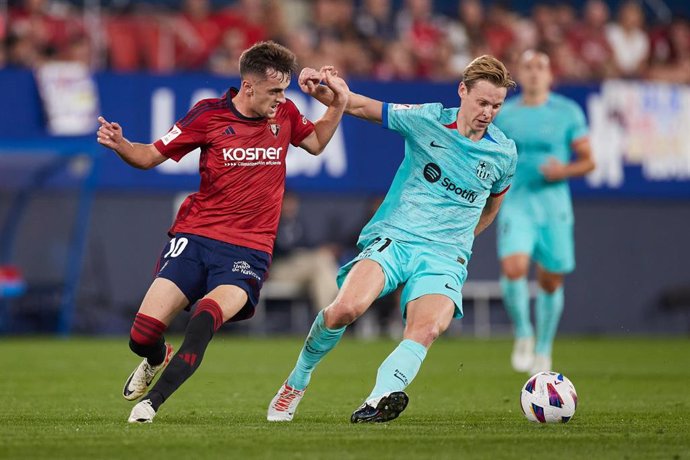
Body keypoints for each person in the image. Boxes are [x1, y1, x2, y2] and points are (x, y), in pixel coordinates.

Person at [96, 41, 349, 423]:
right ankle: (154, 356)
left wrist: (337, 106)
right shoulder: (208, 116)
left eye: (284, 91)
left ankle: (152, 404)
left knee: (205, 318)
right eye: (274, 91)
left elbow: (314, 143)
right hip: (196, 237)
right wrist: (121, 144)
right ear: (248, 87)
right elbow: (148, 156)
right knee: (142, 334)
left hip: (248, 251)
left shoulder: (286, 114)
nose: (282, 99)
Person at [267, 55, 518, 423]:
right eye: (482, 102)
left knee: (428, 328)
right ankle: (296, 382)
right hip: (396, 239)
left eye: (496, 105)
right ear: (462, 91)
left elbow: (492, 206)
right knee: (344, 310)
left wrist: (461, 241)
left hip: (445, 255)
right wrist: (324, 89)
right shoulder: (426, 119)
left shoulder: (503, 153)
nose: (488, 112)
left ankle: (378, 398)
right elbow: (360, 105)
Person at [492, 50, 594, 375]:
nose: (535, 73)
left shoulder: (567, 112)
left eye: (541, 67)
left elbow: (589, 160)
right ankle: (523, 332)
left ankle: (544, 347)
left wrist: (563, 170)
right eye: (528, 67)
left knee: (550, 281)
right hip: (517, 203)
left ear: (550, 75)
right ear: (519, 75)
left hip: (553, 207)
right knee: (514, 267)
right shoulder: (505, 114)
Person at [269, 192, 340, 314]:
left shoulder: (298, 223)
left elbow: (307, 245)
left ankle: (327, 316)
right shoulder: (272, 222)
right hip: (281, 268)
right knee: (322, 261)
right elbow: (279, 250)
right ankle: (335, 310)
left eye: (293, 203)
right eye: (286, 203)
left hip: (302, 268)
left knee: (322, 267)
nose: (290, 206)